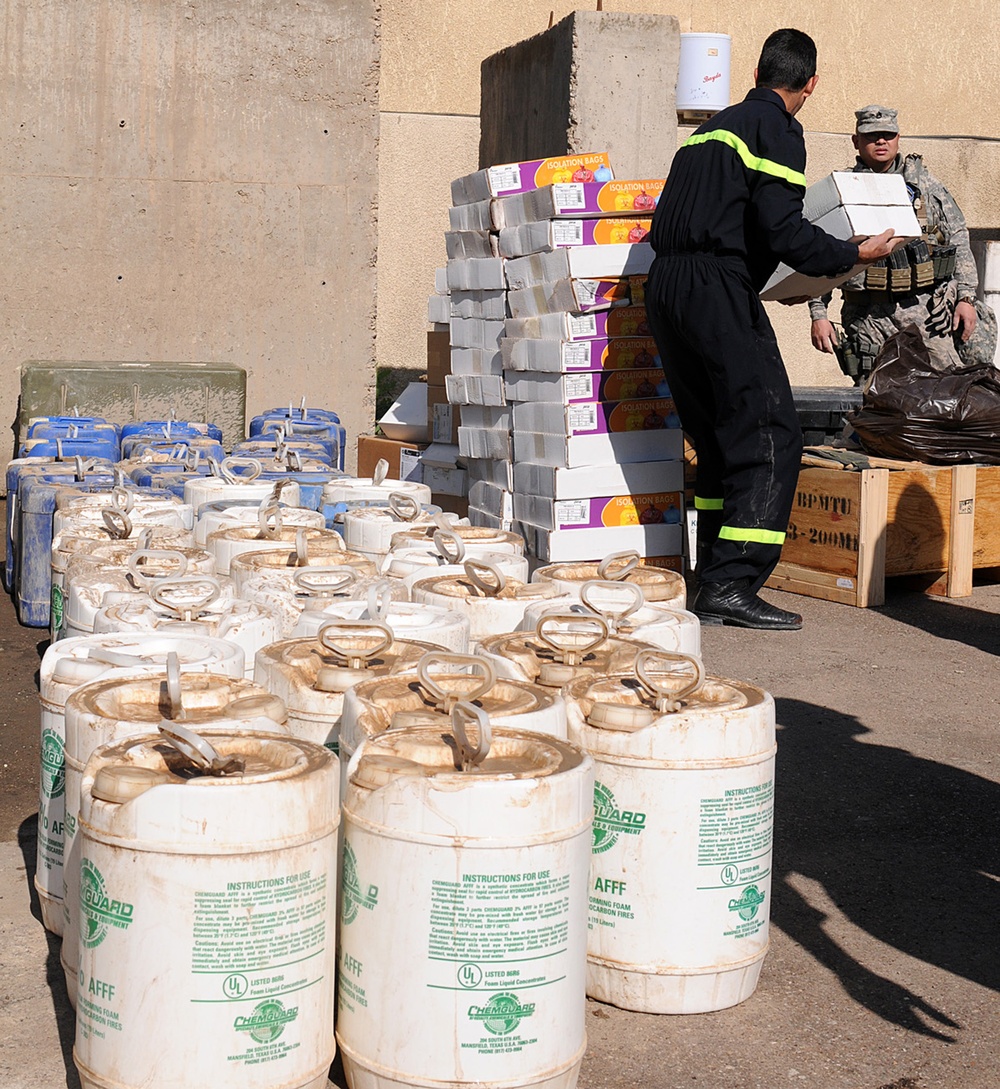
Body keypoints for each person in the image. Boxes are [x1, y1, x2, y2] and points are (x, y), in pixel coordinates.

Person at [645, 28, 900, 630]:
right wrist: (850, 255)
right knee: (771, 432)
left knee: (716, 434)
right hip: (715, 288)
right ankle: (732, 585)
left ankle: (710, 571)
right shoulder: (778, 129)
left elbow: (735, 222)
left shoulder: (710, 129)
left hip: (668, 286)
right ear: (810, 83)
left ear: (759, 72)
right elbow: (783, 230)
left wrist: (781, 279)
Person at [810, 105, 992, 380]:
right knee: (875, 400)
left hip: (926, 315)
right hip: (866, 318)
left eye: (887, 135)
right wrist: (819, 314)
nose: (881, 141)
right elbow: (820, 252)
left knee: (941, 394)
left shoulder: (926, 186)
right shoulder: (841, 189)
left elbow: (958, 238)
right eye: (872, 136)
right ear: (856, 141)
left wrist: (966, 297)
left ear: (898, 138)